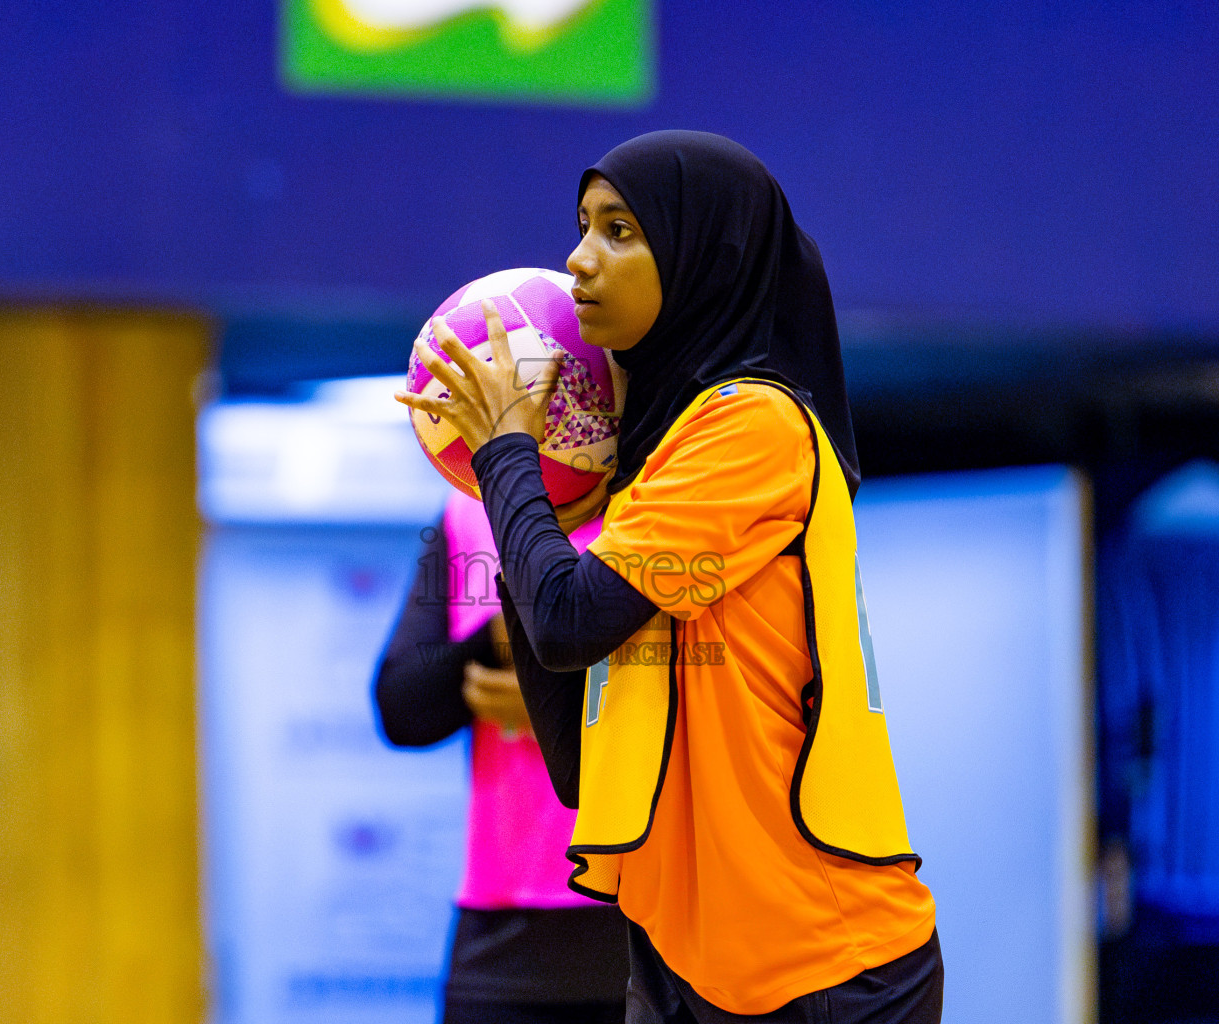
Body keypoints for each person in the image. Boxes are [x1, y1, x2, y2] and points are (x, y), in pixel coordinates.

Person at [397, 130, 941, 1023]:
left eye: (619, 230)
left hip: (824, 965)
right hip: (683, 965)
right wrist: (540, 502)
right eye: (581, 226)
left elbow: (570, 620)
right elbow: (576, 759)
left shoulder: (752, 424)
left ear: (703, 257)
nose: (577, 260)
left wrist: (506, 456)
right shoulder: (655, 461)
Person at [374, 489, 629, 1024]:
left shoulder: (666, 498)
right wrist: (506, 628)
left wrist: (557, 707)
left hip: (653, 926)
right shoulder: (470, 511)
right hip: (503, 934)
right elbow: (402, 708)